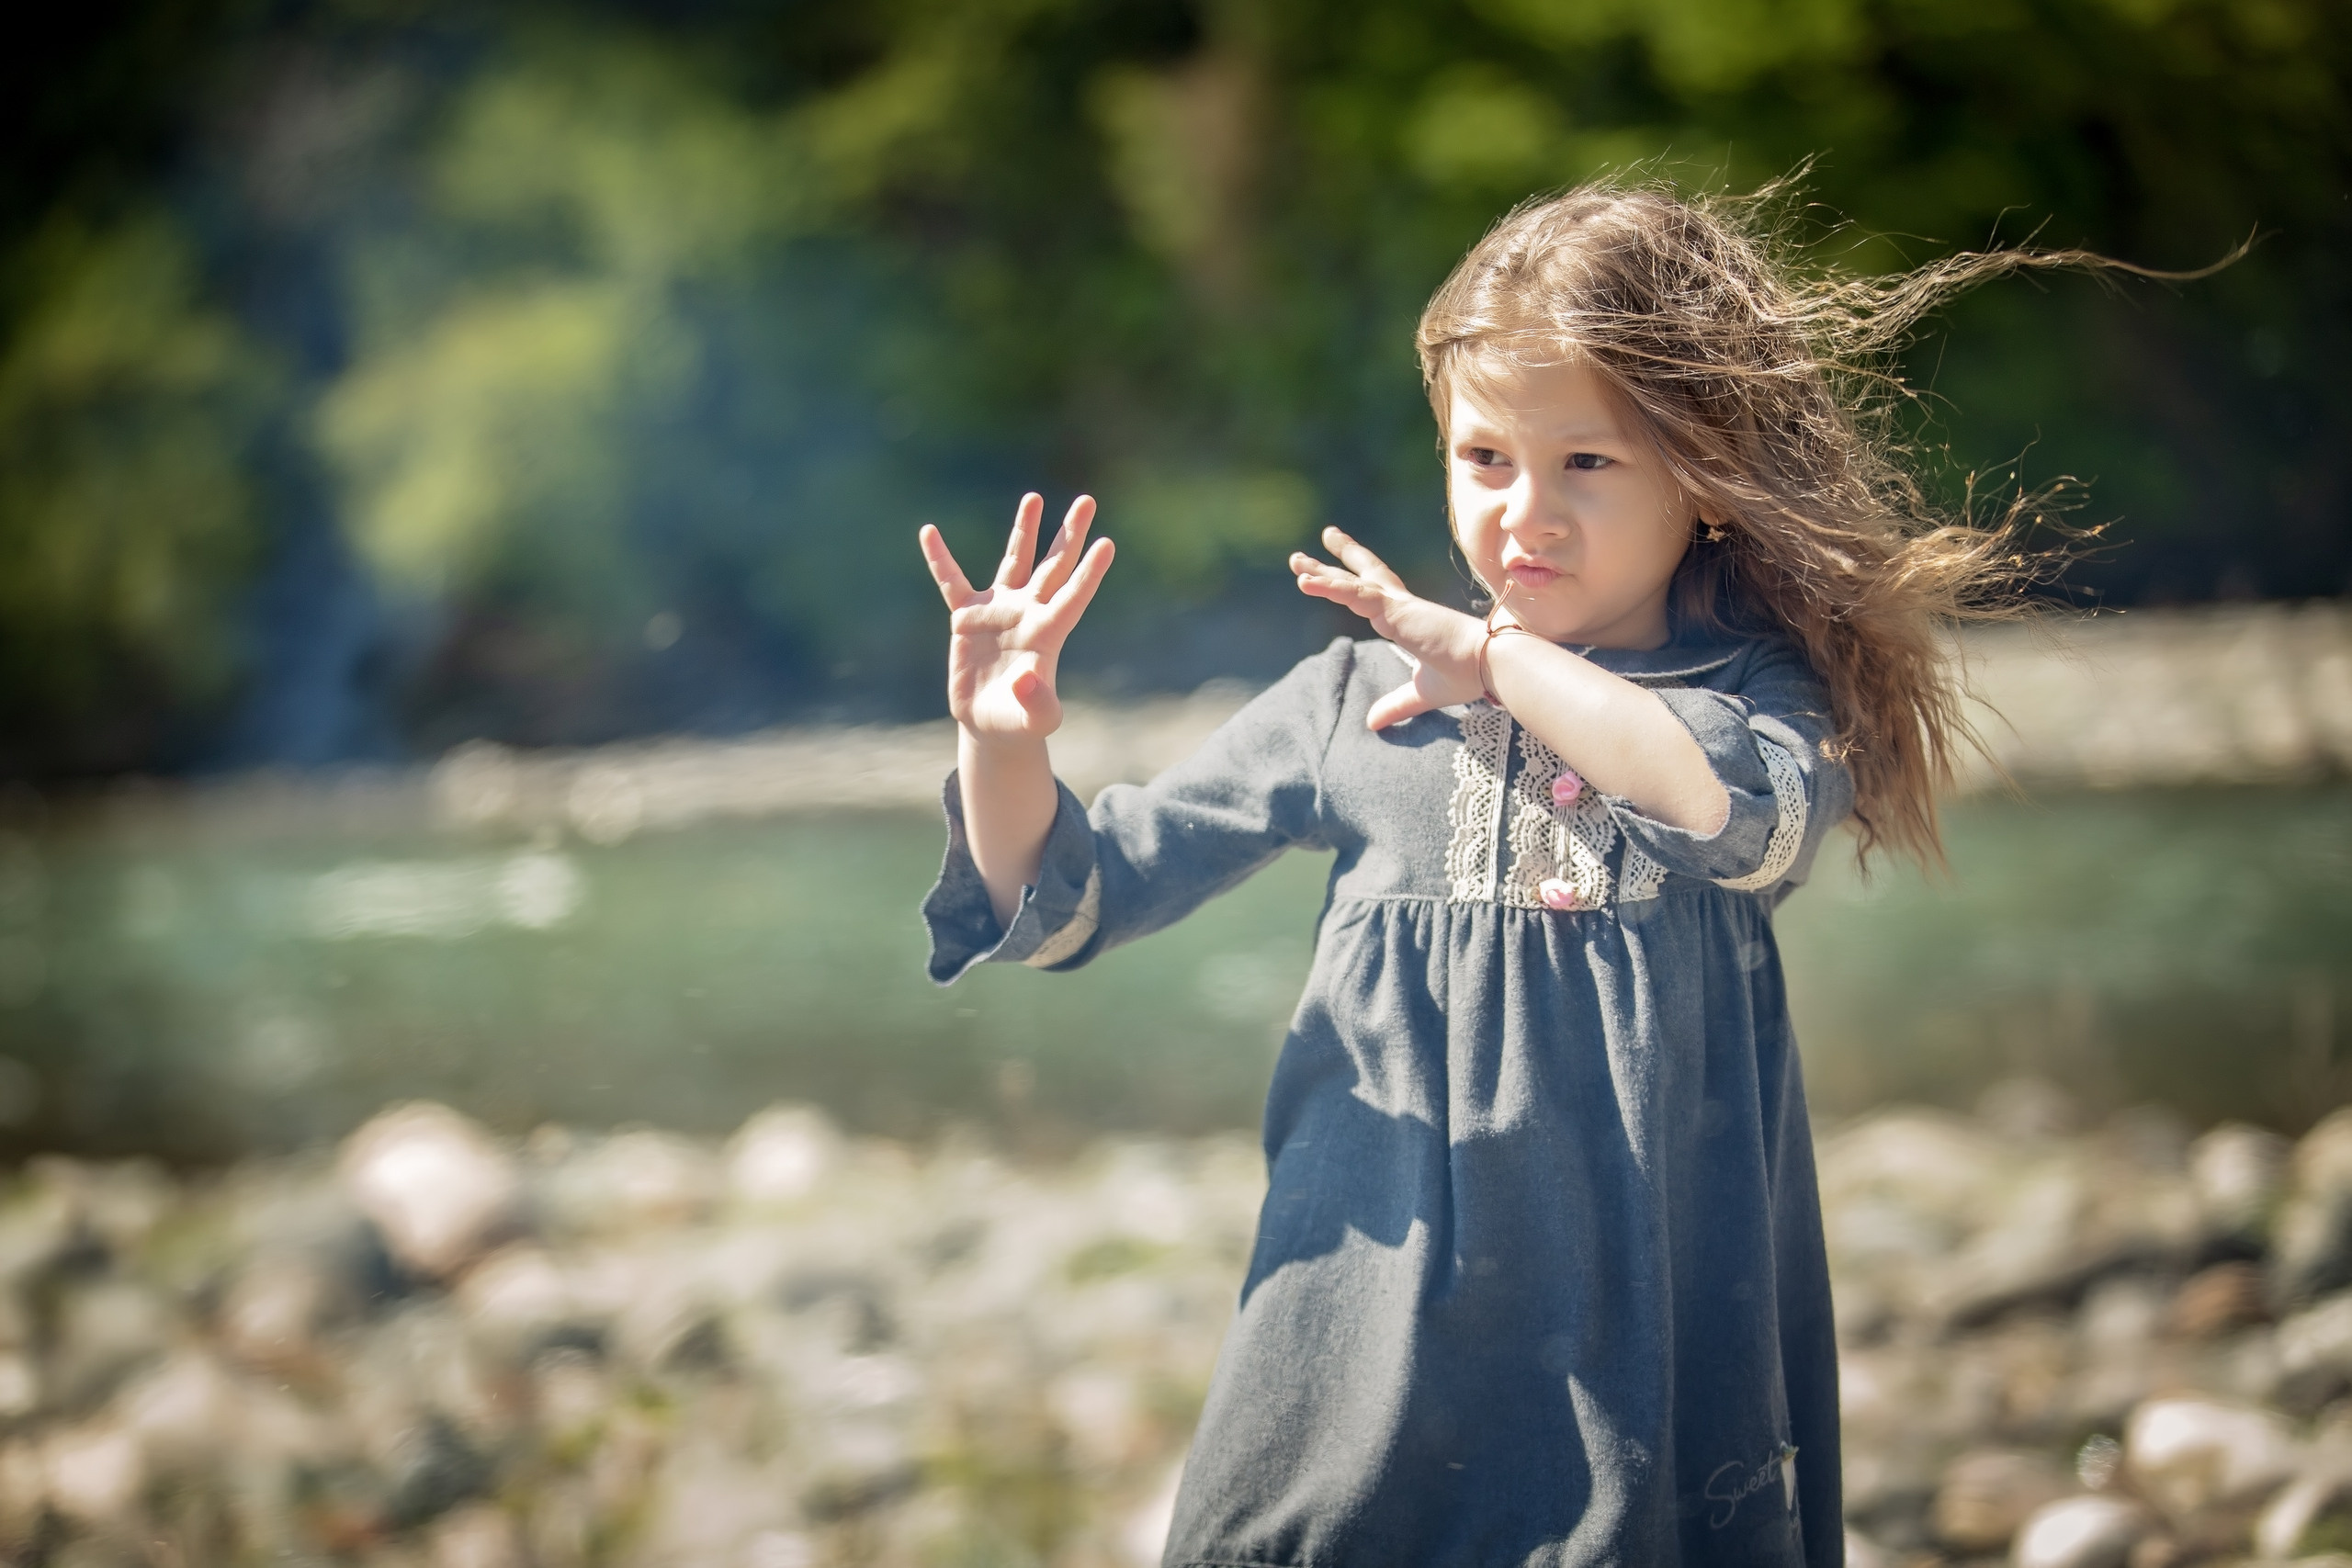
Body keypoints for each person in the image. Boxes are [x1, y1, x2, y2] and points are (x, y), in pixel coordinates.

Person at [914, 178, 2135, 1566]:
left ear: (1706, 472)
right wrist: (997, 742)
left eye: (1589, 465)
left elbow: (1745, 822)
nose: (1524, 514)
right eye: (1486, 458)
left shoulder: (1746, 696)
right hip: (1354, 1337)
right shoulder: (1352, 698)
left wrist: (1496, 662)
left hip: (1623, 1354)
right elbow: (1071, 901)